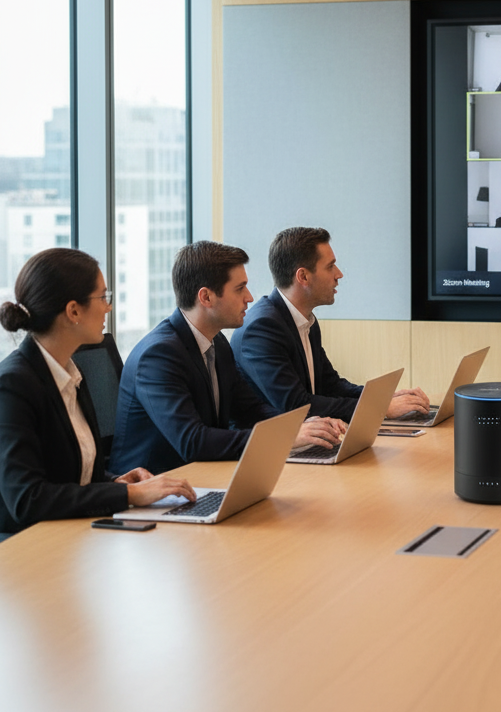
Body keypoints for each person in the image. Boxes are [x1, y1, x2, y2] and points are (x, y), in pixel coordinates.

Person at [0, 248, 196, 537]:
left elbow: (66, 474)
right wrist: (129, 496)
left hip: (75, 536)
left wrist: (115, 483)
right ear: (73, 311)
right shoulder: (14, 384)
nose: (109, 307)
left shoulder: (71, 371)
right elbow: (28, 499)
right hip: (31, 549)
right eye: (103, 297)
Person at [110, 241, 343, 475]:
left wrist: (299, 427)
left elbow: (249, 410)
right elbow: (193, 442)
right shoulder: (158, 356)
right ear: (206, 297)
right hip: (152, 491)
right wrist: (285, 437)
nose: (249, 297)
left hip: (202, 478)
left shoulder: (217, 342)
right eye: (239, 288)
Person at [234, 228, 429, 425]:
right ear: (303, 277)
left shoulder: (306, 320)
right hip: (269, 448)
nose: (339, 274)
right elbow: (295, 404)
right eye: (330, 266)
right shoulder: (261, 328)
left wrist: (383, 398)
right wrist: (379, 408)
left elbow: (331, 386)